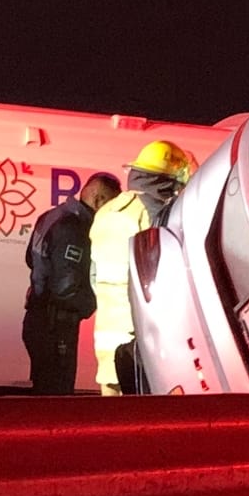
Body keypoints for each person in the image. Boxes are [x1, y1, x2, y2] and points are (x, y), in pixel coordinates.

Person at [89, 141, 195, 395]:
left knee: (111, 419)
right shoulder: (155, 213)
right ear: (170, 179)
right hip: (140, 340)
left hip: (107, 337)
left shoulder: (107, 211)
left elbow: (94, 275)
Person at [23, 171, 119, 393]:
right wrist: (94, 305)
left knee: (45, 391)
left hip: (40, 319)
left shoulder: (51, 216)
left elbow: (30, 259)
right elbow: (66, 286)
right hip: (56, 325)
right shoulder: (74, 228)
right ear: (98, 199)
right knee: (58, 395)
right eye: (110, 206)